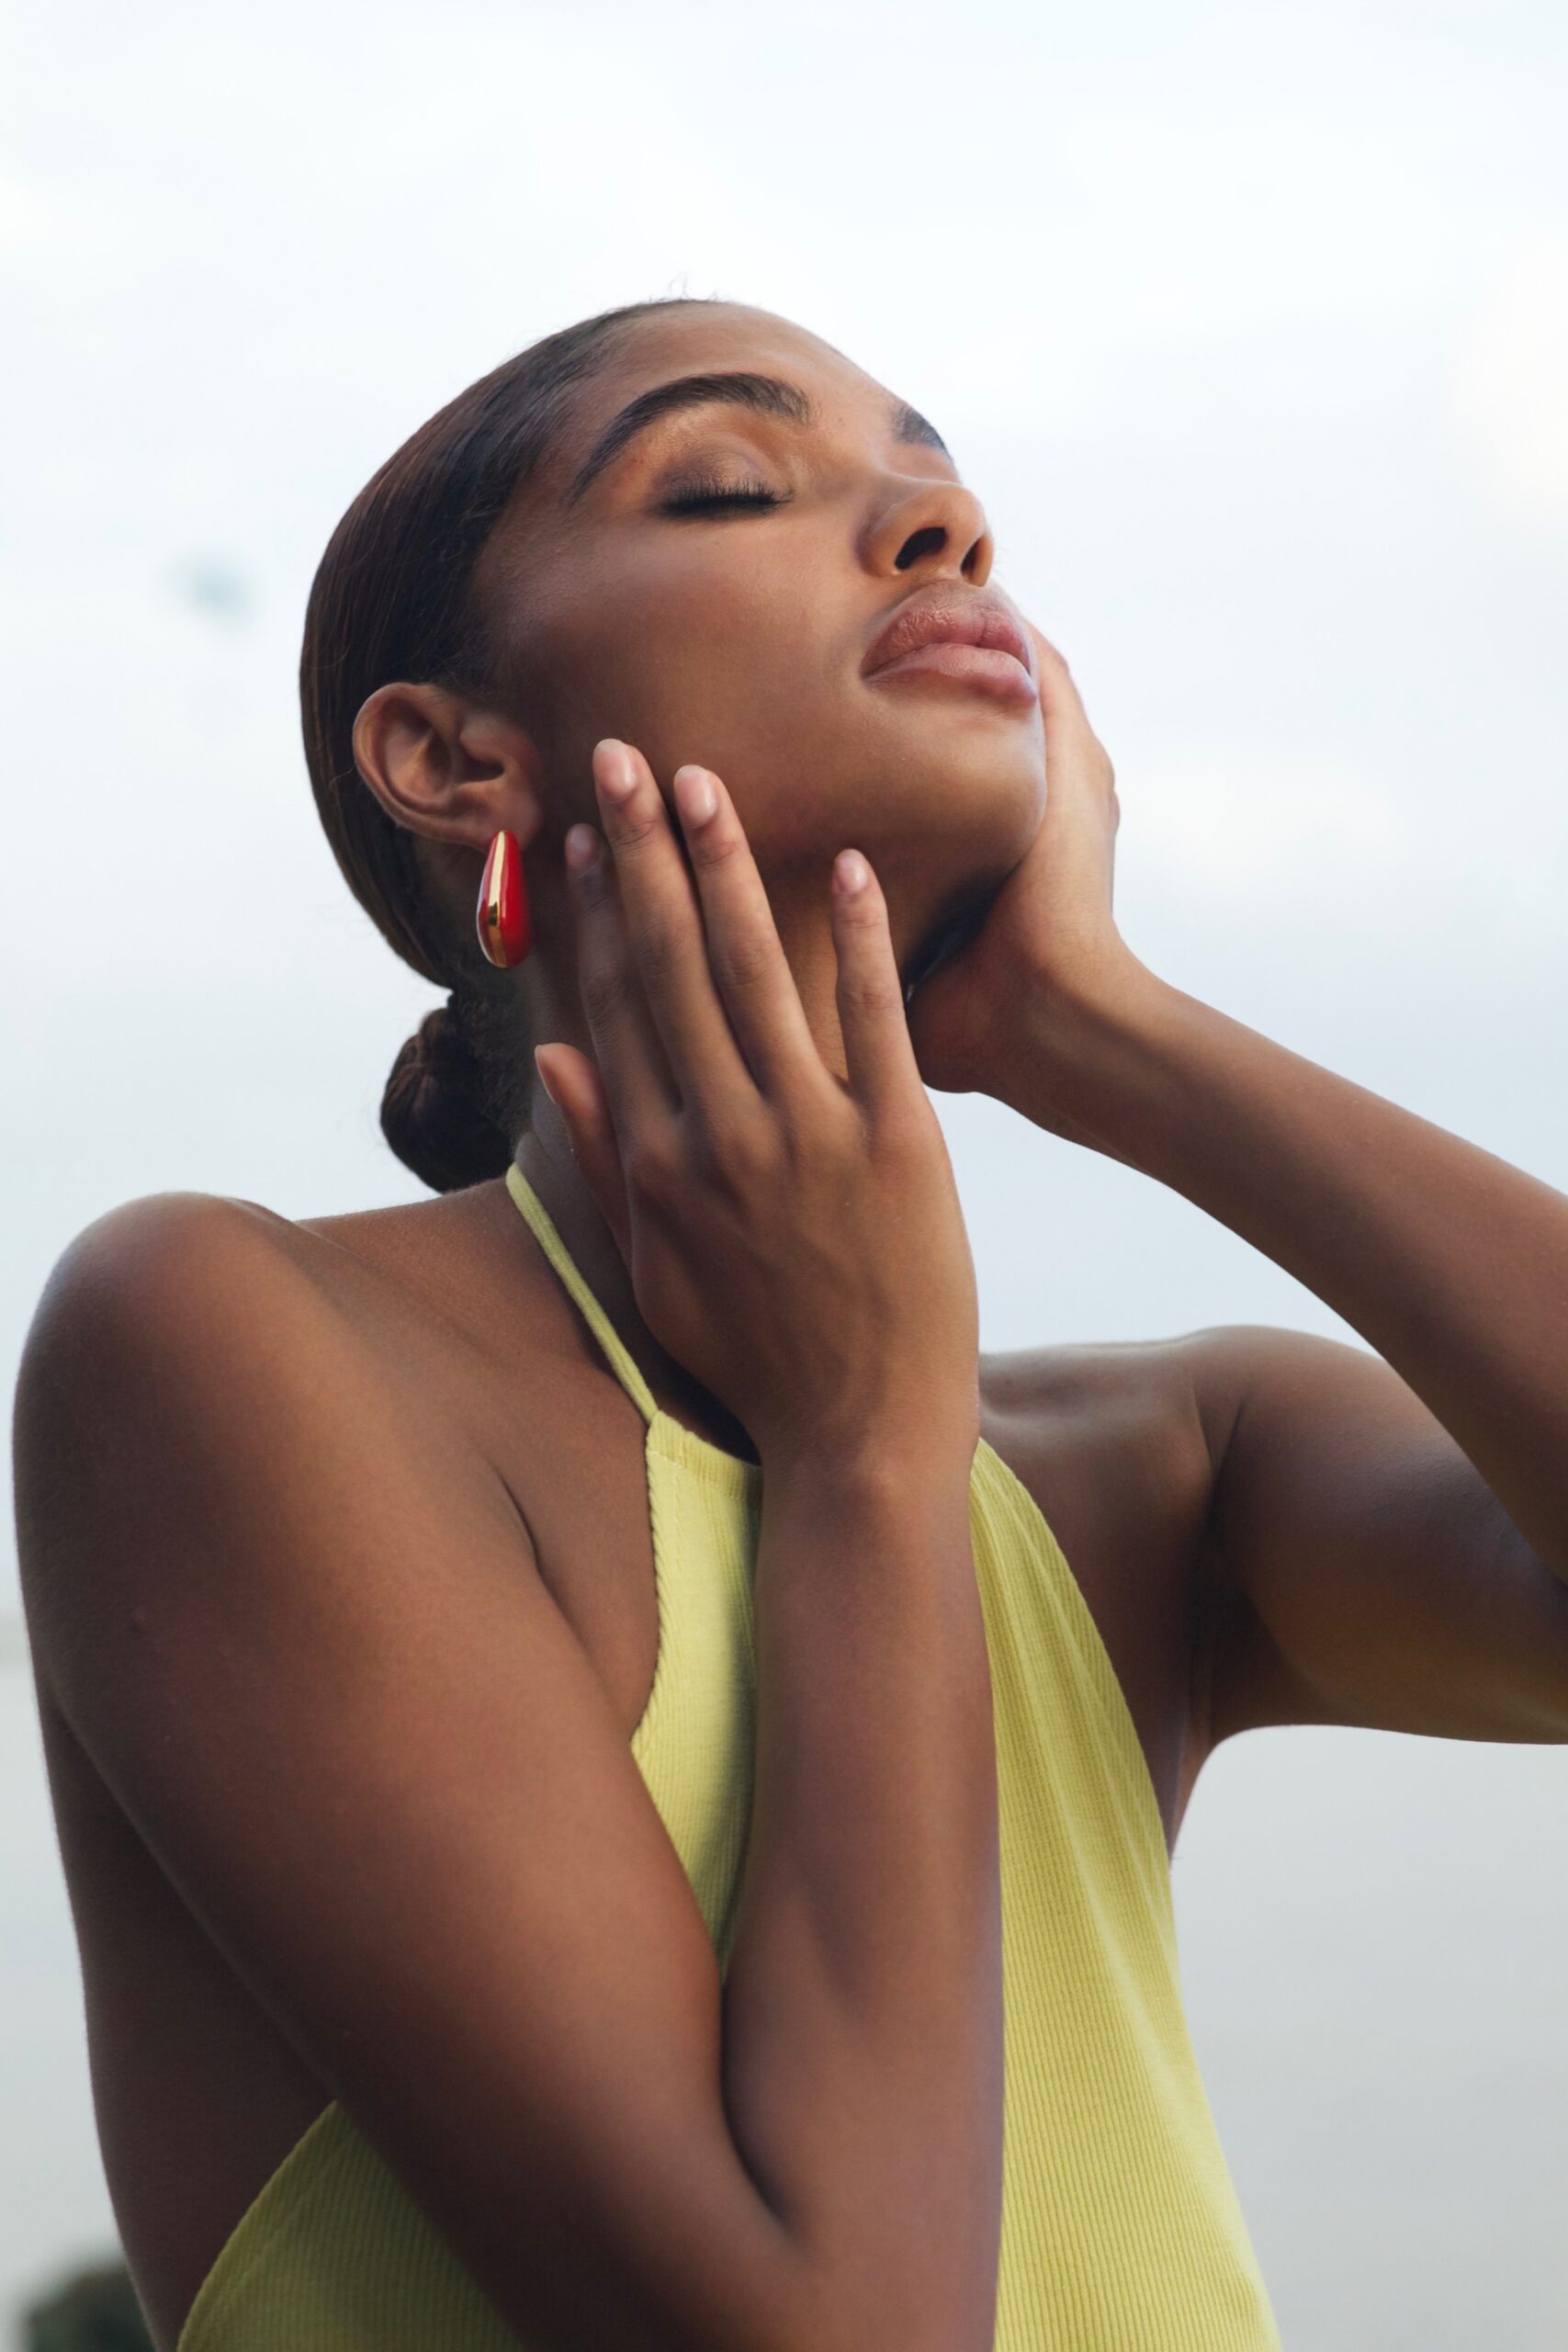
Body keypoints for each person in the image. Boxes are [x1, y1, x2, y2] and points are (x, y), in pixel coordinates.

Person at [13, 294, 1568, 2352]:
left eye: (946, 489)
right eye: (730, 481)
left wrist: (1110, 1029)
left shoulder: (1153, 1465)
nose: (940, 527)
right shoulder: (214, 1342)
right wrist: (857, 1453)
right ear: (451, 757)